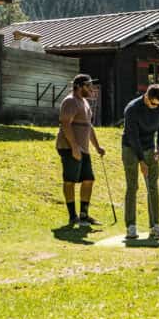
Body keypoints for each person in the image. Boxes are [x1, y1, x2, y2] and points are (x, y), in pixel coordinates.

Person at [122, 84, 159, 240]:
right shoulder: (132, 109)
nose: (155, 107)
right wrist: (141, 161)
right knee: (132, 186)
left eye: (158, 104)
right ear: (146, 97)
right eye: (153, 104)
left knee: (153, 186)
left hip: (150, 147)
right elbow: (133, 136)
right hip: (131, 147)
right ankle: (131, 227)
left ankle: (155, 225)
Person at [56, 73, 105, 227]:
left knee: (88, 179)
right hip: (69, 147)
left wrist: (97, 147)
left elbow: (89, 127)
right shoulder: (70, 101)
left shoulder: (84, 102)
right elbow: (65, 124)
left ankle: (84, 215)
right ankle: (72, 217)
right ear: (79, 86)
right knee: (70, 181)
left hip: (83, 149)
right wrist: (74, 147)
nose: (92, 88)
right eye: (89, 85)